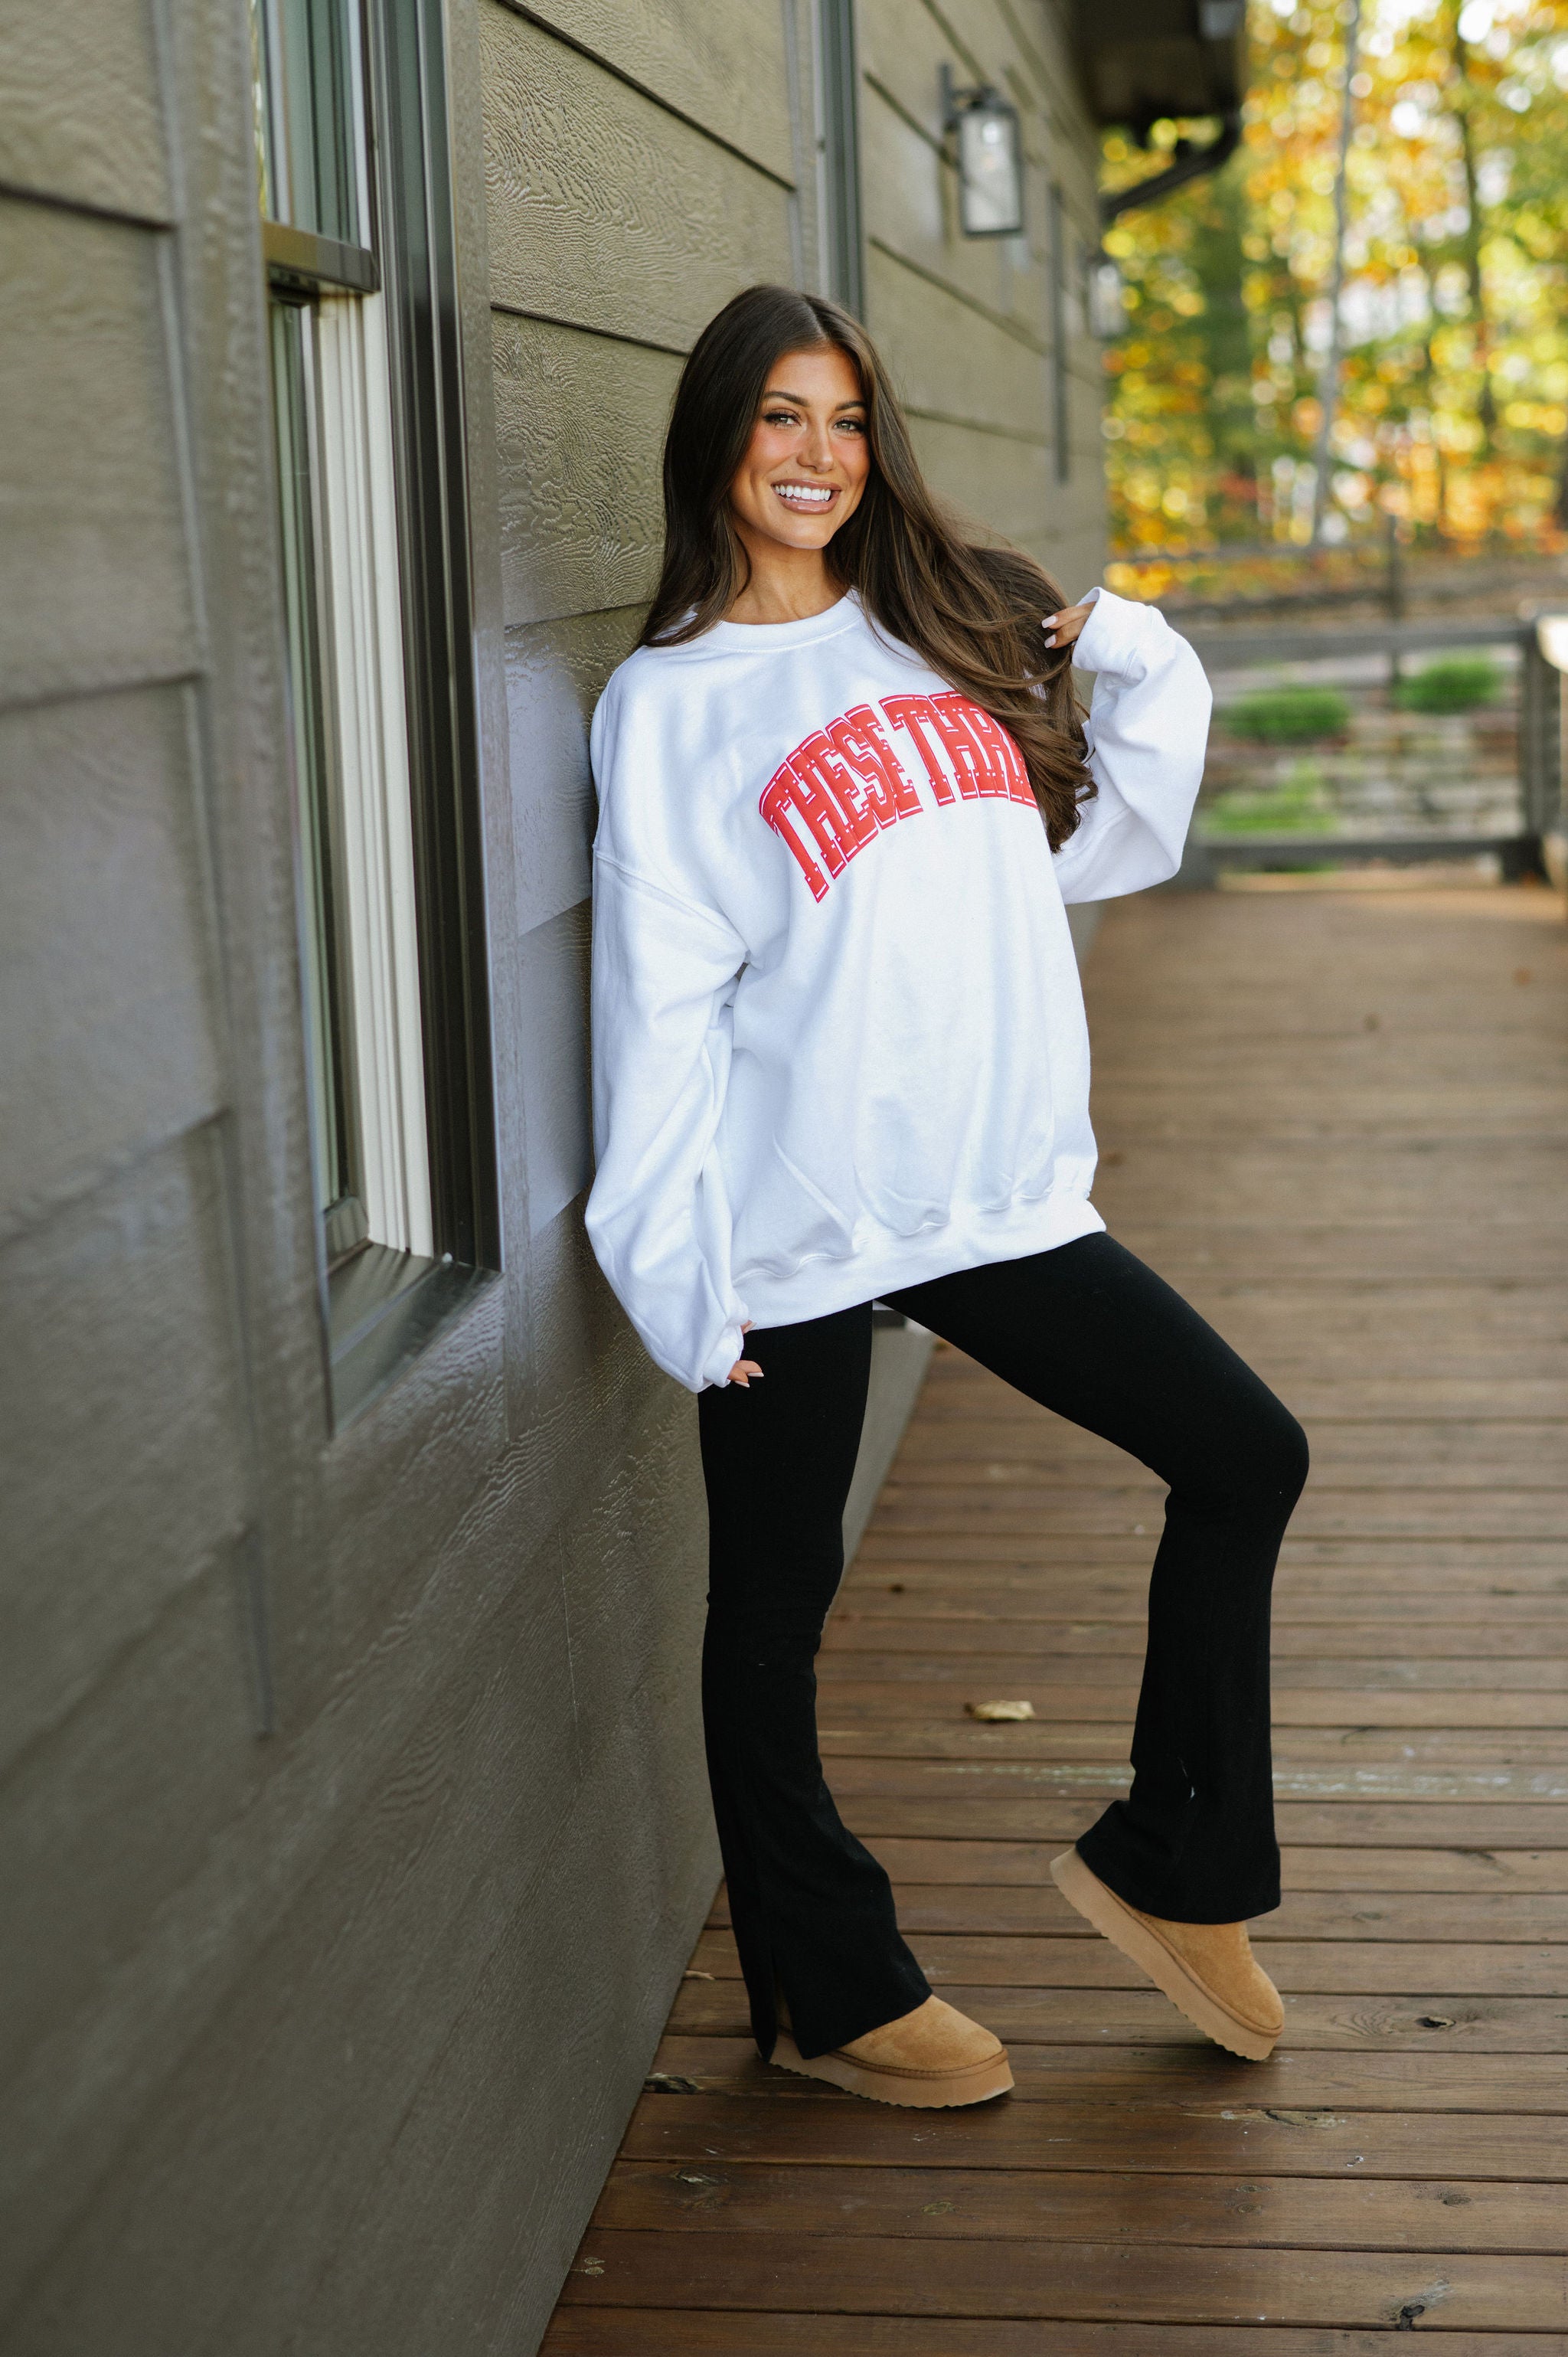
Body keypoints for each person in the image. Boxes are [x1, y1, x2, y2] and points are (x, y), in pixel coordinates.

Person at [584, 284, 1309, 2109]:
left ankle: (1176, 1859)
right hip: (796, 1223)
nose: (814, 457)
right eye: (776, 420)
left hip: (1000, 1195)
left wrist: (1135, 660)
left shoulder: (942, 633)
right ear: (718, 445)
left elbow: (1094, 848)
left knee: (1245, 1454)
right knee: (774, 1602)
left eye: (841, 420)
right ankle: (829, 1997)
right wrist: (685, 1285)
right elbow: (656, 1012)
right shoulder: (666, 708)